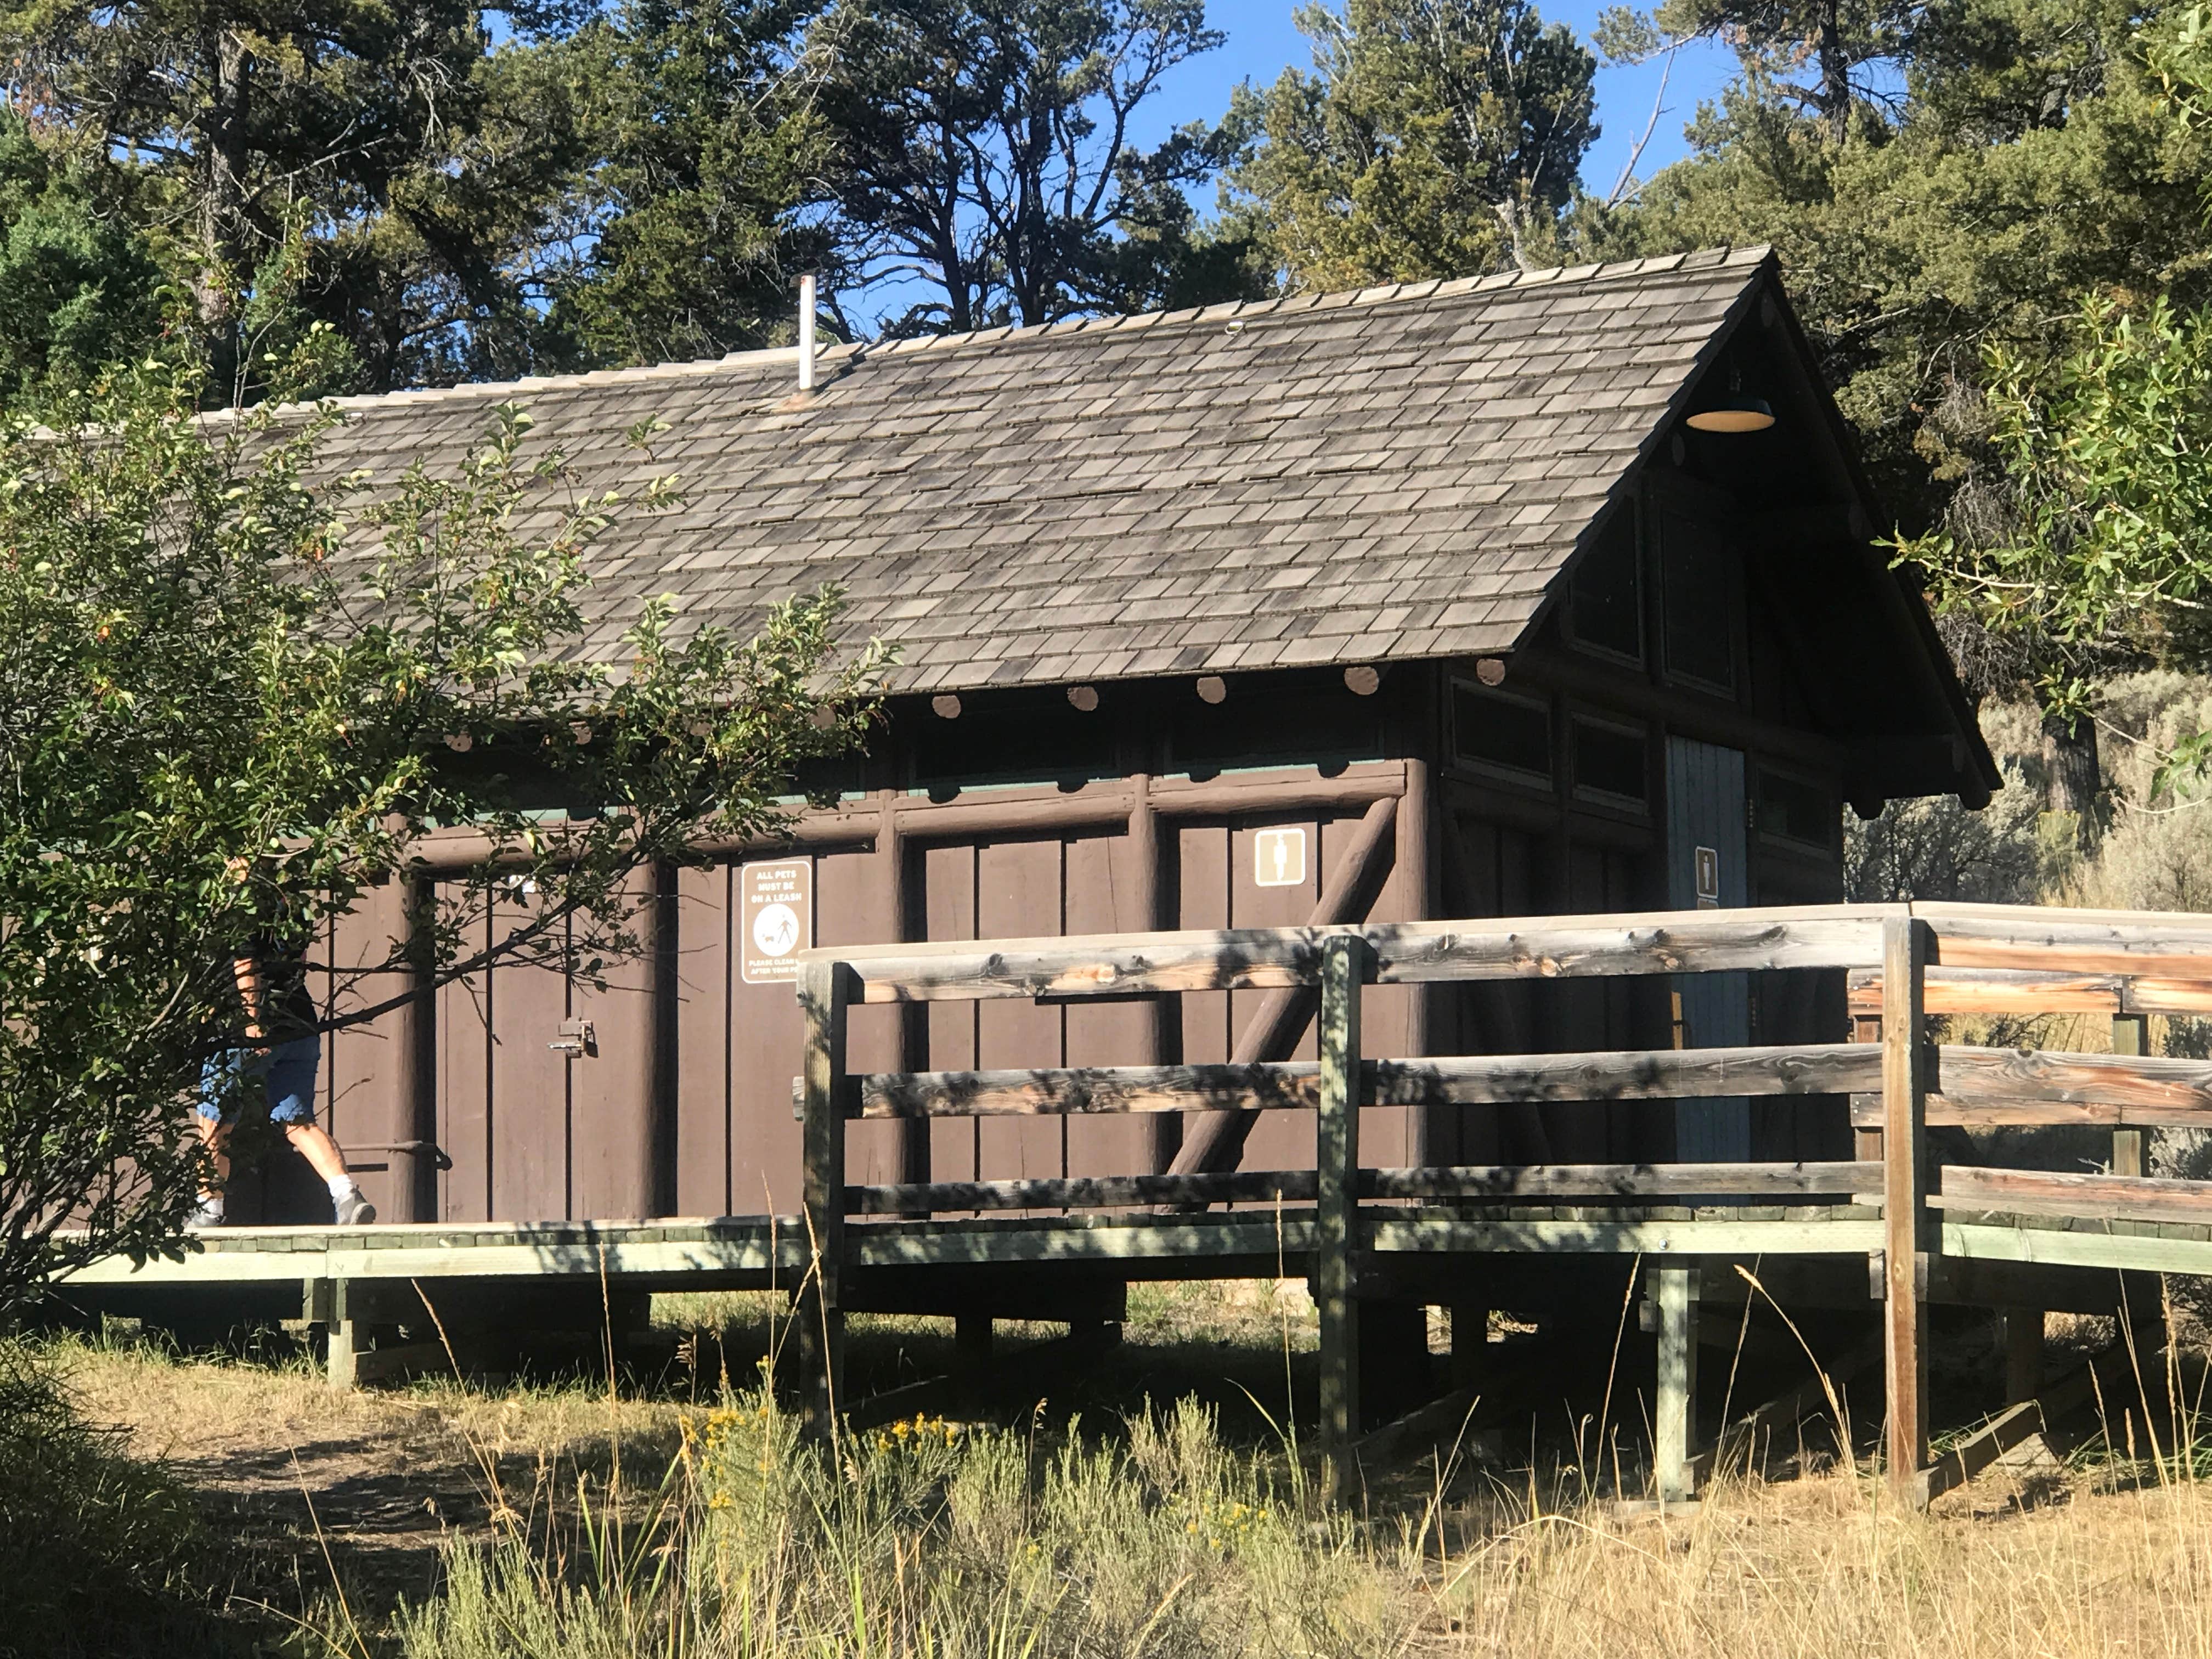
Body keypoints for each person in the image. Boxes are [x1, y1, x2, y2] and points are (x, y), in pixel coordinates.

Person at [188, 929, 376, 1228]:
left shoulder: (243, 903)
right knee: (299, 1122)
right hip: (299, 1026)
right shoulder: (290, 906)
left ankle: (209, 1212)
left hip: (246, 1032)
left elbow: (246, 962)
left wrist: (253, 1022)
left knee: (213, 1125)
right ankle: (346, 1196)